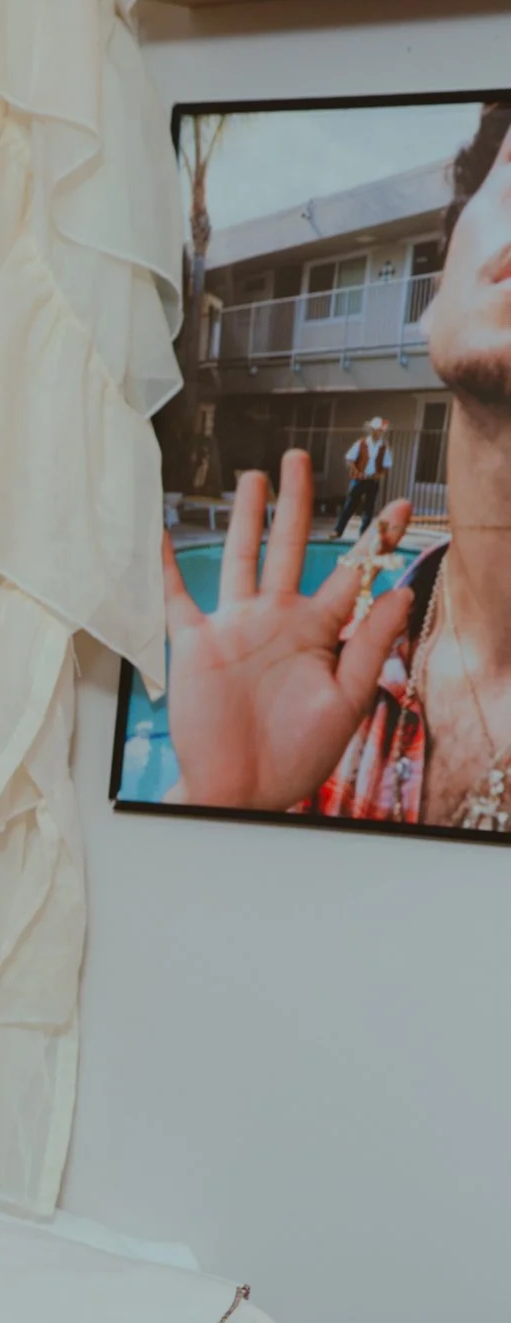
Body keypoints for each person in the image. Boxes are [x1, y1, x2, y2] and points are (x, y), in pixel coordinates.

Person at [158, 97, 511, 831]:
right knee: (356, 514)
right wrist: (220, 806)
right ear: (435, 295)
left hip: (370, 491)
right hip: (362, 493)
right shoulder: (319, 680)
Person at [338, 411, 392, 540]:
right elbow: (349, 459)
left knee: (369, 509)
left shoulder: (384, 447)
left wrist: (379, 475)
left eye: (379, 430)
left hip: (372, 481)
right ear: (370, 430)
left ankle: (363, 535)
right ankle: (338, 531)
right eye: (375, 430)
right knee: (350, 506)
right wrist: (356, 472)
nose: (376, 432)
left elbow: (387, 465)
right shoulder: (361, 443)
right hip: (358, 480)